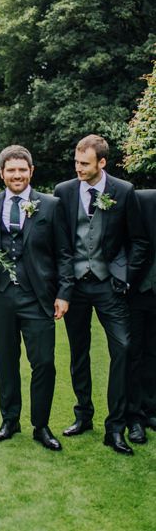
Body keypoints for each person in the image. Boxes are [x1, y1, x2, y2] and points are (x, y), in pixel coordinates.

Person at [53, 134, 148, 455]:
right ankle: (83, 415)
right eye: (76, 162)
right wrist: (63, 286)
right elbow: (62, 244)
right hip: (75, 286)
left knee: (122, 348)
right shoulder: (63, 192)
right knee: (78, 352)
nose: (78, 168)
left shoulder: (123, 191)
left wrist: (125, 277)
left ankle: (116, 426)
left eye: (85, 163)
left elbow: (139, 241)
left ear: (102, 163)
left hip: (110, 286)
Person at [0, 145, 73, 451]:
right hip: (0, 296)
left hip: (38, 297)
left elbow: (65, 254)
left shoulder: (51, 205)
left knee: (44, 362)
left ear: (31, 172)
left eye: (22, 170)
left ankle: (41, 425)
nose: (16, 175)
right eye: (11, 170)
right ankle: (10, 419)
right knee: (5, 361)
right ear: (1, 173)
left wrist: (64, 292)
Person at [126, 189, 156, 441]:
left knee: (154, 354)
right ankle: (133, 417)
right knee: (133, 354)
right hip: (139, 290)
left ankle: (151, 409)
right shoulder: (142, 199)